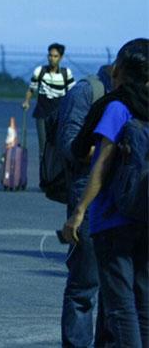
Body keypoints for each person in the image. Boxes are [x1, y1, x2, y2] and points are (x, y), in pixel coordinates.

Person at [63, 38, 148, 347]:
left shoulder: (116, 107)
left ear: (120, 71)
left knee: (119, 305)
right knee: (143, 305)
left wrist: (80, 210)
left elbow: (100, 163)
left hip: (113, 218)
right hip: (145, 216)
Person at [56, 64, 113, 347]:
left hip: (122, 201)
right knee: (84, 284)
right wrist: (112, 150)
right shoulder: (87, 92)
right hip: (87, 197)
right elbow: (69, 145)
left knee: (116, 290)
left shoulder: (133, 98)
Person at [22, 43, 75, 159]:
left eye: (55, 56)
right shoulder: (40, 71)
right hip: (42, 112)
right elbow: (31, 88)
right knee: (43, 146)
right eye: (50, 56)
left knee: (58, 145)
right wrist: (27, 101)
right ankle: (44, 173)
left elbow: (72, 93)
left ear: (61, 57)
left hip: (59, 114)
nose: (52, 59)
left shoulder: (66, 74)